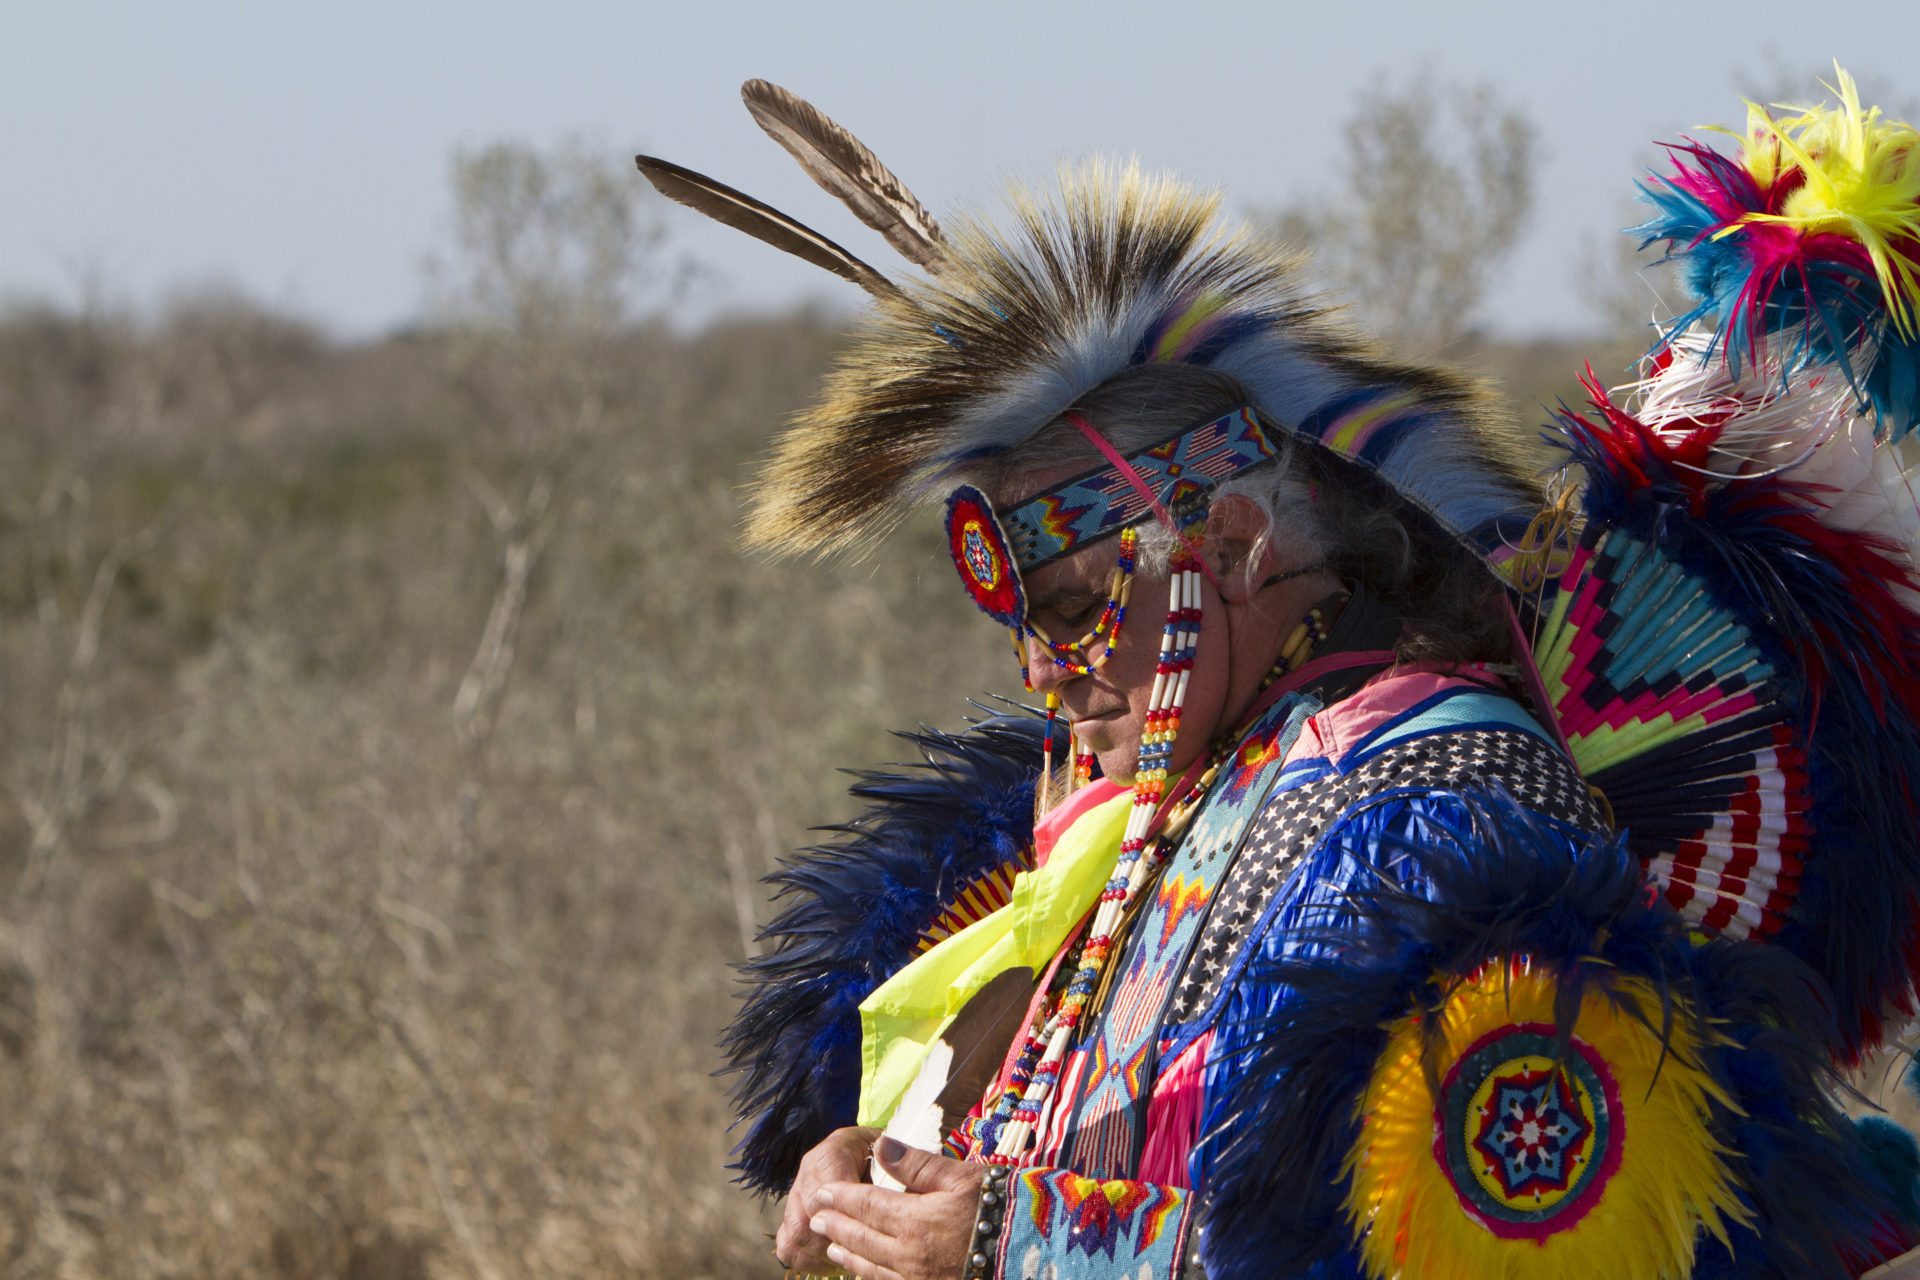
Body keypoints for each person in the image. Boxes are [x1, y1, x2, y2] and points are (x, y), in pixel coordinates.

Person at [643, 73, 1920, 1280]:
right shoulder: (1158, 803)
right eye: (1025, 630)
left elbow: (1493, 1240)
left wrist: (1016, 1247)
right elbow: (1082, 1142)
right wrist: (900, 1164)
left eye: (1083, 609)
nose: (1047, 671)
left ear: (1240, 545)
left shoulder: (1443, 814)